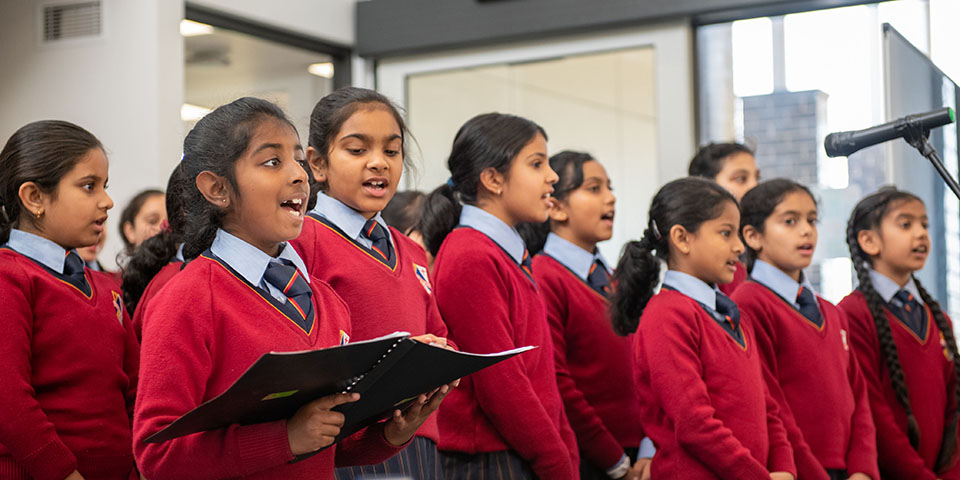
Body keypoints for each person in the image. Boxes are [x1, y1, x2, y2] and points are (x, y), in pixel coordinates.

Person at [133, 97, 448, 479]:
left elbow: (326, 440)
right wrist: (285, 438)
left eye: (298, 159)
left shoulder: (325, 301)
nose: (299, 174)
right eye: (272, 161)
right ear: (217, 188)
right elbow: (157, 454)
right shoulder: (189, 297)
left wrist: (390, 434)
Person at [292, 87, 454, 480]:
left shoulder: (410, 250)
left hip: (416, 438)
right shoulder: (302, 240)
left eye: (392, 151)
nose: (379, 162)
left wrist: (441, 356)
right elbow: (308, 353)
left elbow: (439, 334)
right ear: (318, 163)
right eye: (357, 149)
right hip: (346, 445)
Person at [419, 112, 578, 479]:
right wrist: (556, 461)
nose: (552, 176)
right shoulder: (470, 255)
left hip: (520, 453)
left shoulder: (503, 251)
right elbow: (502, 385)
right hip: (489, 461)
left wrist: (563, 451)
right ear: (492, 179)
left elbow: (539, 376)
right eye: (536, 164)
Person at [610, 176, 796, 480]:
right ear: (682, 238)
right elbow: (694, 424)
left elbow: (768, 409)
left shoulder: (735, 315)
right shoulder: (667, 315)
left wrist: (784, 469)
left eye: (737, 233)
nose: (739, 246)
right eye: (725, 233)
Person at [0, 120, 139, 479]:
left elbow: (134, 387)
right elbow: (8, 400)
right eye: (89, 186)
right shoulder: (9, 277)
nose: (107, 201)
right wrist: (62, 472)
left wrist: (139, 464)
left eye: (105, 186)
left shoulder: (106, 287)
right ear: (34, 198)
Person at [734, 178, 878, 480]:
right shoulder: (748, 304)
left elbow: (858, 397)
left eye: (812, 220)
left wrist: (863, 469)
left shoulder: (831, 311)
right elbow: (770, 403)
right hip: (796, 470)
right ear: (753, 236)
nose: (806, 230)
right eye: (790, 221)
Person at [523, 150, 651, 480]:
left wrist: (648, 448)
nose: (611, 198)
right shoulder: (544, 275)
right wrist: (614, 460)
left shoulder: (614, 278)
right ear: (556, 207)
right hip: (588, 458)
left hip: (640, 456)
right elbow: (557, 380)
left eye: (610, 187)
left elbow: (646, 367)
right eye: (594, 188)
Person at [838, 187, 960, 479]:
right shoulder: (852, 314)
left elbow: (955, 406)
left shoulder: (938, 318)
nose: (920, 234)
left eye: (924, 224)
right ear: (868, 240)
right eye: (906, 224)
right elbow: (874, 413)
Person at [688, 142, 759, 295]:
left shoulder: (757, 243)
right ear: (706, 186)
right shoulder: (703, 258)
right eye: (741, 179)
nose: (755, 187)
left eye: (757, 178)